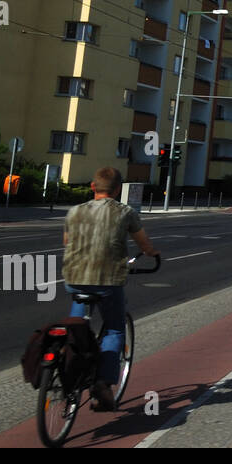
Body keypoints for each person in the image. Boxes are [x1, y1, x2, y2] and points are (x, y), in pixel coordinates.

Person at [61, 167, 158, 411]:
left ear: (93, 187)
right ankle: (103, 384)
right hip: (107, 280)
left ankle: (70, 365)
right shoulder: (124, 212)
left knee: (76, 327)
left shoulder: (75, 211)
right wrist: (151, 252)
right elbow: (143, 243)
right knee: (115, 329)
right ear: (117, 190)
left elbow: (67, 241)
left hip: (74, 278)